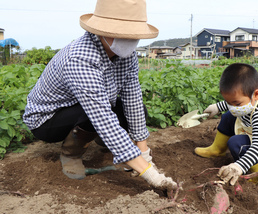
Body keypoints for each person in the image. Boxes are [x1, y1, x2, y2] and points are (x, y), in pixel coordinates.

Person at [23, 0, 177, 190]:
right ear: (103, 30)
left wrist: (143, 152)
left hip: (90, 107)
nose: (130, 40)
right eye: (123, 35)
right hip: (48, 119)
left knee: (136, 110)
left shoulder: (125, 55)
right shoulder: (80, 58)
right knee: (92, 115)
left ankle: (110, 144)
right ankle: (71, 154)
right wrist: (151, 175)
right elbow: (102, 118)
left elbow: (132, 97)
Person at [194, 63, 258, 185]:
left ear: (256, 95)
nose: (233, 107)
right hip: (251, 131)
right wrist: (217, 107)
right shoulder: (248, 101)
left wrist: (239, 166)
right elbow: (232, 103)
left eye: (237, 104)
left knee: (236, 143)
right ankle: (217, 149)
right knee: (229, 115)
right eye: (229, 102)